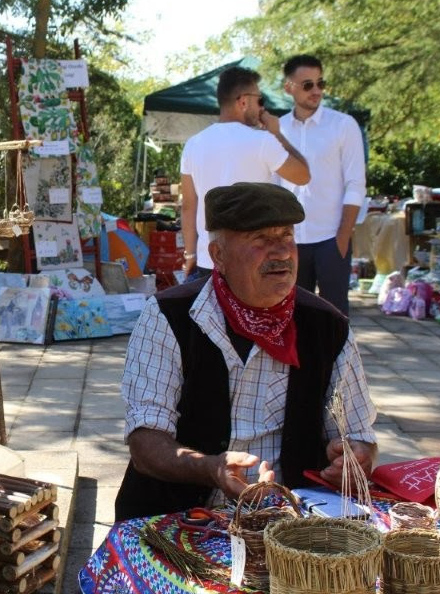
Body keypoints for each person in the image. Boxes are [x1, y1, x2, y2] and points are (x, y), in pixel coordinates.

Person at [115, 182, 377, 521]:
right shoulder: (170, 316)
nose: (281, 252)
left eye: (286, 236)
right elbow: (145, 444)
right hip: (177, 519)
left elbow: (361, 437)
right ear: (218, 256)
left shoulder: (328, 326)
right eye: (260, 240)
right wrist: (211, 469)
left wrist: (354, 457)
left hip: (289, 525)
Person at [180, 66, 310, 279]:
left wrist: (190, 253)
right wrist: (278, 134)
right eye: (260, 101)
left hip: (209, 258)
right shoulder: (263, 142)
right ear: (243, 102)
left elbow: (188, 206)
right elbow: (303, 174)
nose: (262, 109)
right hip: (253, 258)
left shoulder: (193, 144)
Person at [279, 54, 366, 316]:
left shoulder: (343, 125)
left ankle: (337, 359)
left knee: (334, 316)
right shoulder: (278, 129)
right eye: (307, 85)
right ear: (289, 88)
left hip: (331, 238)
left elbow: (356, 183)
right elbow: (273, 184)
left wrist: (342, 236)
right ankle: (299, 360)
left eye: (320, 83)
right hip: (290, 239)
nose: (316, 91)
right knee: (293, 314)